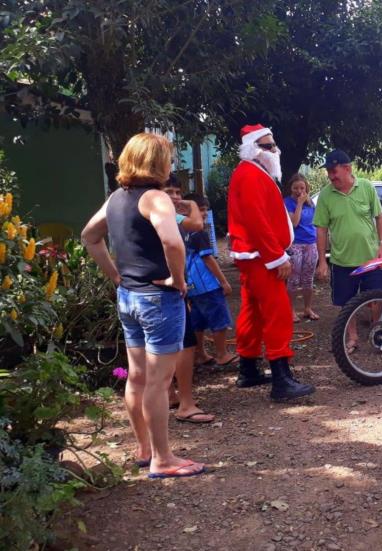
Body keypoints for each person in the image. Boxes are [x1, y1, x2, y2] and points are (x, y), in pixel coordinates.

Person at [81, 132, 204, 478]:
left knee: (136, 377)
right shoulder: (156, 198)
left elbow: (89, 236)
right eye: (168, 158)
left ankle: (144, 449)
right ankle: (163, 460)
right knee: (158, 382)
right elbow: (173, 242)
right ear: (157, 162)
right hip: (159, 300)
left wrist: (116, 276)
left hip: (129, 298)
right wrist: (178, 280)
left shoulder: (116, 199)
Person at [228, 123, 314, 401]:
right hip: (261, 257)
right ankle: (281, 379)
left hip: (253, 257)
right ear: (254, 149)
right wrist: (277, 258)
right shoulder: (252, 175)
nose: (274, 149)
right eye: (268, 145)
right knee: (277, 312)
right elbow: (258, 221)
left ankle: (249, 368)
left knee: (251, 312)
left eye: (273, 145)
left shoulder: (252, 173)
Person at [313, 149, 382, 353]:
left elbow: (379, 217)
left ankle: (377, 332)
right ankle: (353, 337)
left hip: (370, 259)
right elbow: (321, 229)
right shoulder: (326, 195)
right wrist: (322, 261)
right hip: (342, 261)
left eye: (333, 170)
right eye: (328, 171)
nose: (330, 175)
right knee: (346, 303)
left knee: (378, 298)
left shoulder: (366, 187)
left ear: (347, 168)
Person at [161, 178, 215, 424]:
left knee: (162, 345)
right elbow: (198, 224)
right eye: (169, 192)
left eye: (177, 192)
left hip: (149, 286)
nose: (174, 197)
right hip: (171, 286)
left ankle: (170, 394)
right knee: (184, 343)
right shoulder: (169, 215)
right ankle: (185, 402)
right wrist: (190, 203)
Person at [179, 192, 238, 368]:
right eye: (201, 210)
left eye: (206, 209)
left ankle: (201, 354)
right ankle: (222, 354)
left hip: (192, 284)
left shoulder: (182, 231)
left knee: (197, 321)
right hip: (207, 284)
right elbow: (208, 259)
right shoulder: (199, 232)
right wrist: (223, 281)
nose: (204, 213)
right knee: (219, 318)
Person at [283, 173, 319, 322]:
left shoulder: (310, 203)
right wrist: (298, 204)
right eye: (295, 188)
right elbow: (294, 223)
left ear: (306, 188)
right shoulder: (287, 202)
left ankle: (307, 308)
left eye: (302, 188)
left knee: (308, 278)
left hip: (311, 243)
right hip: (295, 244)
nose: (299, 191)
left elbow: (316, 222)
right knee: (293, 279)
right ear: (291, 188)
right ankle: (290, 310)